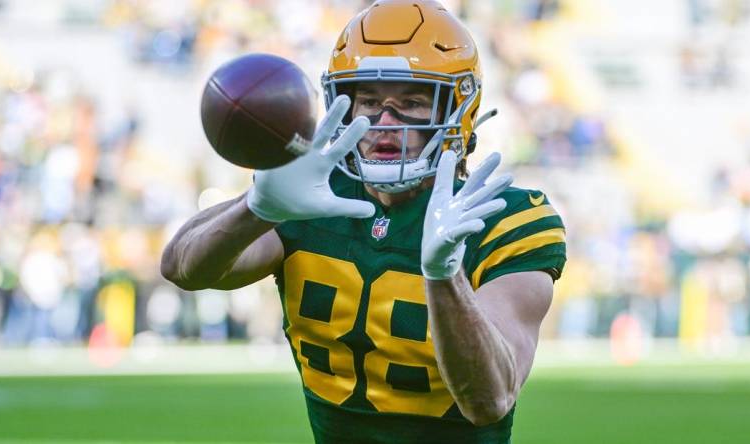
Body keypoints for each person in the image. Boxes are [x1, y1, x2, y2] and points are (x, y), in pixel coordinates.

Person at [161, 1, 566, 442]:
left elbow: (488, 400)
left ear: (458, 111)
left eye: (411, 102)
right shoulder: (312, 195)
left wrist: (444, 274)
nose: (384, 122)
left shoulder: (506, 219)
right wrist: (257, 209)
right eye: (368, 101)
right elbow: (183, 267)